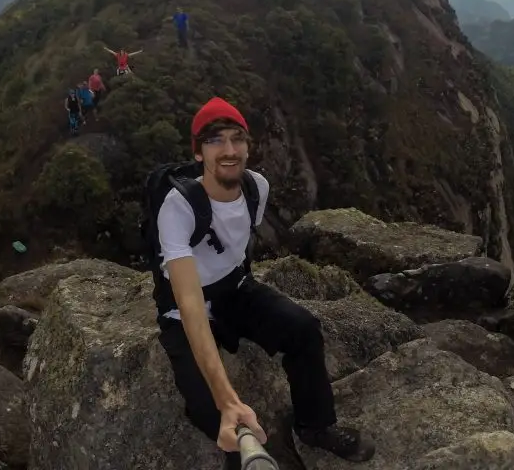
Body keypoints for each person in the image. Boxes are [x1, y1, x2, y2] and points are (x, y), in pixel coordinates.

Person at [146, 97, 375, 468]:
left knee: (303, 329)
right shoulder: (179, 207)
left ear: (249, 147)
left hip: (235, 290)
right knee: (219, 418)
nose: (229, 150)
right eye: (215, 140)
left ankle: (314, 426)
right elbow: (188, 303)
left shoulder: (257, 188)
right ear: (198, 153)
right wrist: (228, 400)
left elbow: (234, 250)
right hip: (185, 308)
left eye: (238, 138)